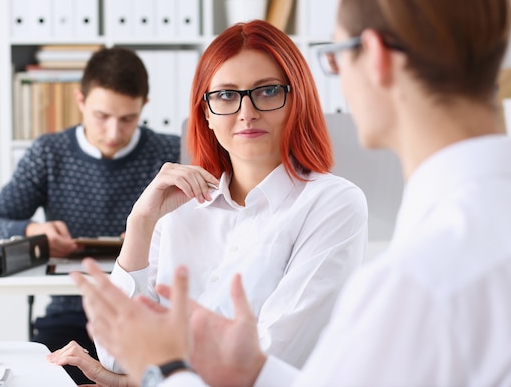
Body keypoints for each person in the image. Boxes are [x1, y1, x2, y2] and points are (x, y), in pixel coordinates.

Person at [63, 0, 511, 386]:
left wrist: (164, 367)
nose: (245, 112)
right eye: (226, 97)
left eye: (336, 52)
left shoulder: (415, 277)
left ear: (376, 56)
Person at [49, 19, 369, 383]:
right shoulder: (178, 205)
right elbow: (117, 354)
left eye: (267, 91)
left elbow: (264, 361)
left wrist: (142, 377)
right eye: (227, 95)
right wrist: (140, 223)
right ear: (205, 112)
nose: (246, 113)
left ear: (297, 100)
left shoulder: (333, 204)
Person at [0, 46, 181, 384]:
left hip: (151, 312)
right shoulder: (49, 153)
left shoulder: (171, 154)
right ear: (80, 101)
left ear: (144, 106)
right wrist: (32, 230)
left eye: (127, 119)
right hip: (70, 314)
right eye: (102, 116)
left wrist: (155, 236)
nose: (114, 132)